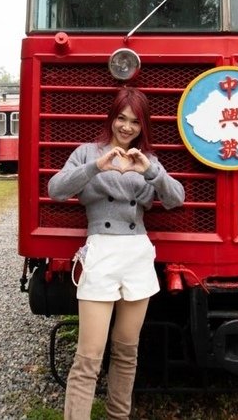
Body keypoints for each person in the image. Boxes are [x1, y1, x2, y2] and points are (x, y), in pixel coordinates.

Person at [48, 87, 185, 420]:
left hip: (137, 253)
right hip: (101, 252)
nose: (126, 127)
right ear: (111, 119)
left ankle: (117, 416)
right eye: (121, 119)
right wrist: (96, 166)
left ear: (143, 126)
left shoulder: (148, 160)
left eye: (134, 122)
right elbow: (56, 190)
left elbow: (175, 198)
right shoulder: (87, 153)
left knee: (126, 350)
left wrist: (150, 172)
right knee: (89, 356)